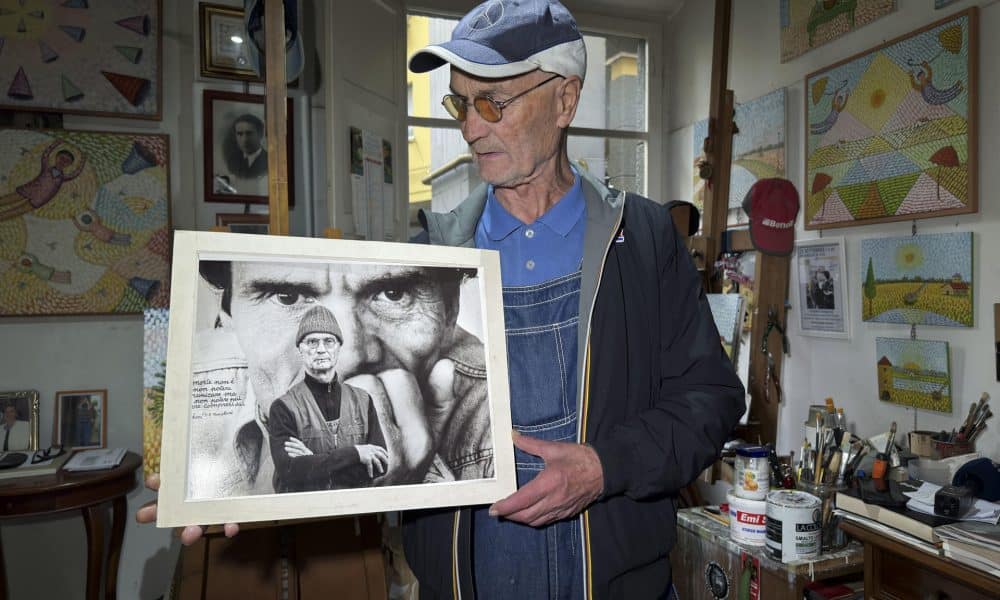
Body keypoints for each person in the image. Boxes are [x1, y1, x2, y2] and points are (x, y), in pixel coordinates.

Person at [402, 1, 745, 597]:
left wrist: (605, 466)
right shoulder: (433, 254)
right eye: (461, 102)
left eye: (493, 103)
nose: (470, 128)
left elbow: (711, 398)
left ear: (565, 100)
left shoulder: (641, 241)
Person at [161, 259, 491, 502]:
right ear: (229, 318)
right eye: (287, 297)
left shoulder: (496, 413)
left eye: (393, 293)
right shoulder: (176, 391)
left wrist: (421, 484)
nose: (344, 358)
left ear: (450, 311)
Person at [267, 305, 390, 492]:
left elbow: (380, 465)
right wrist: (355, 453)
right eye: (312, 342)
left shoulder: (363, 401)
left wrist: (313, 462)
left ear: (339, 347)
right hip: (305, 513)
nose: (321, 349)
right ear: (300, 348)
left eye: (329, 341)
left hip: (352, 512)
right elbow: (289, 472)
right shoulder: (283, 408)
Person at [224, 113, 268, 179]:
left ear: (260, 135)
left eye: (249, 133)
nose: (244, 140)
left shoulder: (269, 161)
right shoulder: (232, 161)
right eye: (240, 134)